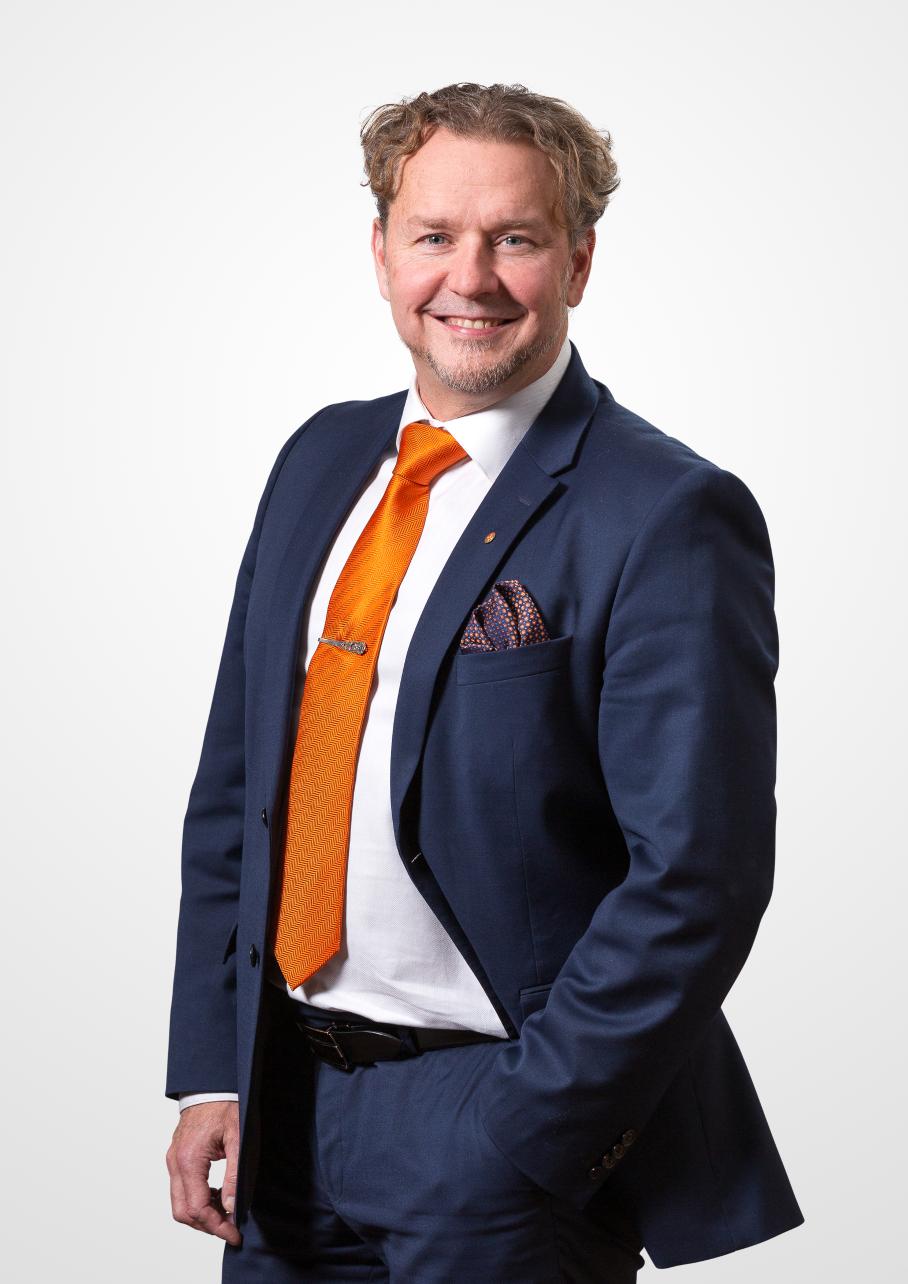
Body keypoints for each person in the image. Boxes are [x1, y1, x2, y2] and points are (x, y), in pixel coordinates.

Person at [165, 81, 805, 1281]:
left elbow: (697, 876)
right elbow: (239, 790)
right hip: (281, 1108)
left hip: (493, 1129)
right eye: (433, 236)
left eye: (513, 238)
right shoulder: (318, 460)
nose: (469, 278)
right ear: (379, 252)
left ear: (578, 260)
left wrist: (527, 1131)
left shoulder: (663, 511)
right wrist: (213, 1069)